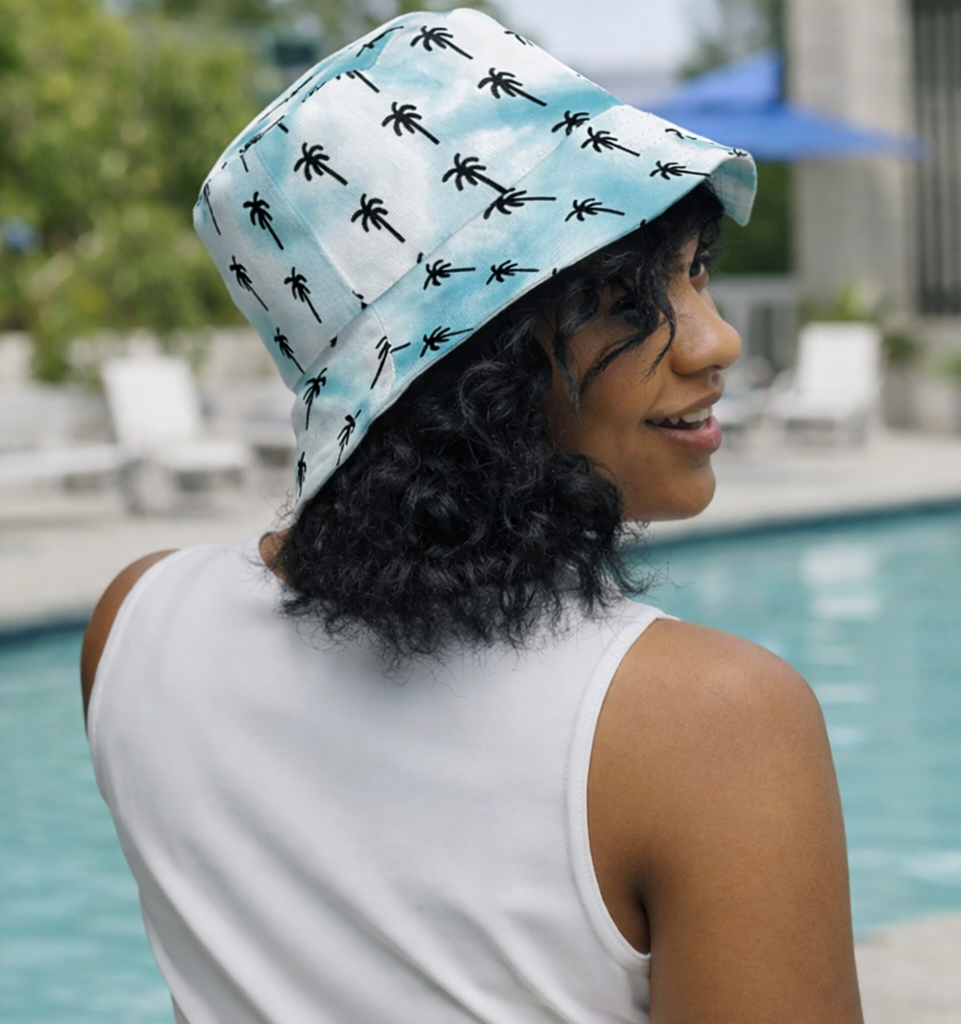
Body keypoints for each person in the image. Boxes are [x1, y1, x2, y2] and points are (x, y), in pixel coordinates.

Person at [81, 10, 863, 1023]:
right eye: (632, 297)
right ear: (475, 364)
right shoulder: (713, 722)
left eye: (696, 267)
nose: (714, 340)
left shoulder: (136, 627)